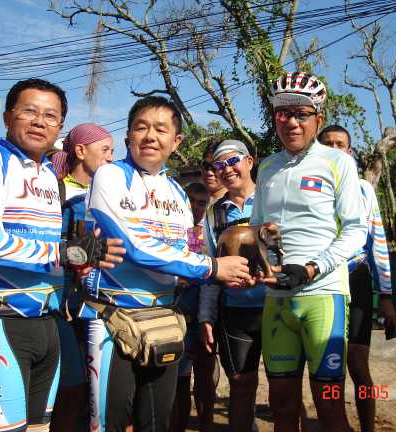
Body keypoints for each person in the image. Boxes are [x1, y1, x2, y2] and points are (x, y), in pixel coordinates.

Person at [0, 78, 124, 432]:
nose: (40, 121)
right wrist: (62, 253)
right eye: (30, 111)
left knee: (39, 428)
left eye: (51, 115)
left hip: (46, 319)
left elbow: (58, 253)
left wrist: (85, 258)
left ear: (60, 126)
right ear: (9, 117)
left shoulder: (47, 177)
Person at [81, 95, 254, 432]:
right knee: (108, 425)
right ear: (128, 136)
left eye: (161, 129)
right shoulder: (109, 176)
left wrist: (237, 275)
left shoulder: (177, 192)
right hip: (112, 319)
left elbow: (181, 255)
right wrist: (213, 268)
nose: (150, 136)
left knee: (157, 423)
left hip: (164, 320)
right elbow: (133, 247)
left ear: (175, 142)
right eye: (141, 127)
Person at [252, 71, 367, 432]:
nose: (292, 123)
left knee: (329, 407)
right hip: (277, 297)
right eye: (283, 114)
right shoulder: (267, 167)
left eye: (301, 114)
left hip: (322, 295)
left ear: (319, 116)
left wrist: (313, 268)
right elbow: (259, 230)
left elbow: (356, 230)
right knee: (282, 405)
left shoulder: (339, 162)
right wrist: (260, 262)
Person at [319, 124, 395, 432]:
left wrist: (387, 296)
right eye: (328, 144)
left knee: (358, 364)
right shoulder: (308, 182)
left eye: (341, 144)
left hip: (356, 277)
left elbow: (377, 239)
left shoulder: (364, 188)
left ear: (349, 151)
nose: (335, 149)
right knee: (327, 364)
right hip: (322, 281)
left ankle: (367, 427)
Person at [50, 123, 114, 432]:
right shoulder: (58, 192)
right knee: (70, 386)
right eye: (105, 151)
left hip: (102, 309)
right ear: (80, 151)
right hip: (67, 307)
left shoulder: (111, 193)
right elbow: (51, 253)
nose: (112, 159)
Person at [199, 139, 266, 432]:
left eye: (232, 161)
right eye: (218, 165)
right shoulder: (214, 214)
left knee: (284, 388)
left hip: (277, 306)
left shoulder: (272, 198)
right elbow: (209, 268)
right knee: (241, 385)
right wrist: (205, 317)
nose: (225, 169)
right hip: (235, 311)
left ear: (249, 162)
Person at [171, 181, 217, 432]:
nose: (195, 207)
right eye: (190, 200)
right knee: (178, 381)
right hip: (176, 314)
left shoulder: (208, 231)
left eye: (202, 202)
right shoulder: (173, 228)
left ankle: (206, 424)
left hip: (203, 313)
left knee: (205, 375)